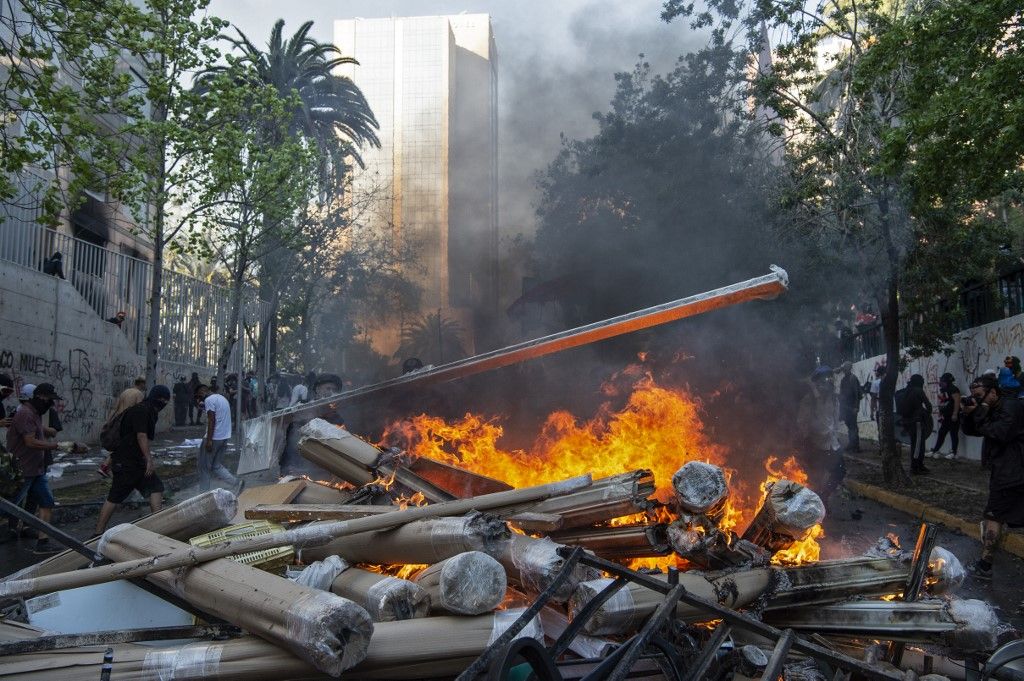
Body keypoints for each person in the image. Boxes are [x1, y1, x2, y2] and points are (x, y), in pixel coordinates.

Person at [961, 374, 1024, 580]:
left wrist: (980, 412)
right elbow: (972, 431)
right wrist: (969, 414)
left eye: (979, 395)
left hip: (1012, 471)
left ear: (993, 392)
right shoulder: (993, 407)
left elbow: (1000, 433)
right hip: (1007, 469)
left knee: (994, 516)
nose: (977, 399)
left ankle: (985, 565)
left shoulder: (1011, 407)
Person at [94, 385, 169, 534]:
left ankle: (158, 528)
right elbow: (141, 435)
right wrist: (149, 459)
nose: (164, 403)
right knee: (114, 497)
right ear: (157, 397)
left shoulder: (148, 410)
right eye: (163, 399)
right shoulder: (141, 410)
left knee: (156, 488)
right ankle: (97, 533)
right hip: (127, 462)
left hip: (135, 461)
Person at [7, 383, 67, 553]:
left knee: (46, 502)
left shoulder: (35, 413)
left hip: (36, 470)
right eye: (49, 400)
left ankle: (43, 542)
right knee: (10, 506)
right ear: (40, 397)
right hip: (22, 470)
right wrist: (57, 446)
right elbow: (30, 441)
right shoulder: (26, 413)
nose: (51, 405)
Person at [797, 366, 843, 505]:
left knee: (839, 472)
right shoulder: (809, 399)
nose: (827, 382)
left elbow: (835, 420)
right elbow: (802, 421)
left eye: (829, 379)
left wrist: (834, 434)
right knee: (815, 477)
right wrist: (806, 438)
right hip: (815, 443)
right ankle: (816, 503)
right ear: (817, 383)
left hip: (832, 443)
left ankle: (823, 497)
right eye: (823, 379)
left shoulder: (834, 399)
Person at [194, 384, 241, 493]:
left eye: (199, 396)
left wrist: (209, 440)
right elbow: (217, 414)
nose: (200, 399)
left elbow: (212, 420)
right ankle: (236, 482)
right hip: (224, 437)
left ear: (202, 392)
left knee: (204, 468)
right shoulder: (222, 398)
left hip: (214, 438)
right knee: (216, 466)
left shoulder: (209, 400)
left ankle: (203, 494)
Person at [98, 381, 146, 478]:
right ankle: (106, 466)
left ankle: (107, 467)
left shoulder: (125, 392)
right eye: (145, 383)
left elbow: (115, 408)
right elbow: (140, 410)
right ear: (141, 384)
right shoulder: (139, 394)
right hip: (128, 423)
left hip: (118, 420)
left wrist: (108, 421)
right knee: (123, 447)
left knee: (119, 446)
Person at [898, 374, 933, 474]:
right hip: (916, 422)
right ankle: (916, 467)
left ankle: (919, 465)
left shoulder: (907, 390)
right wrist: (926, 415)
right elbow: (928, 405)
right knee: (918, 445)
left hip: (908, 422)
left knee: (916, 444)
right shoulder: (918, 390)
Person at [930, 373, 962, 459]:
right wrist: (941, 413)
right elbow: (943, 402)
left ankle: (954, 452)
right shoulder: (944, 390)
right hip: (946, 416)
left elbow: (957, 402)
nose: (941, 382)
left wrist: (955, 414)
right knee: (941, 433)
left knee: (953, 433)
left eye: (943, 381)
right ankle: (935, 450)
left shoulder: (954, 389)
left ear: (947, 381)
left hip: (953, 415)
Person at [837, 362, 862, 453]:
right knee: (849, 425)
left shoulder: (853, 378)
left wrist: (856, 407)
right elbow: (842, 394)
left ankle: (855, 446)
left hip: (852, 407)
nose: (844, 371)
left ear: (849, 369)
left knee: (853, 427)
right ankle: (852, 443)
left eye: (845, 369)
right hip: (845, 406)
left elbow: (857, 394)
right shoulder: (844, 380)